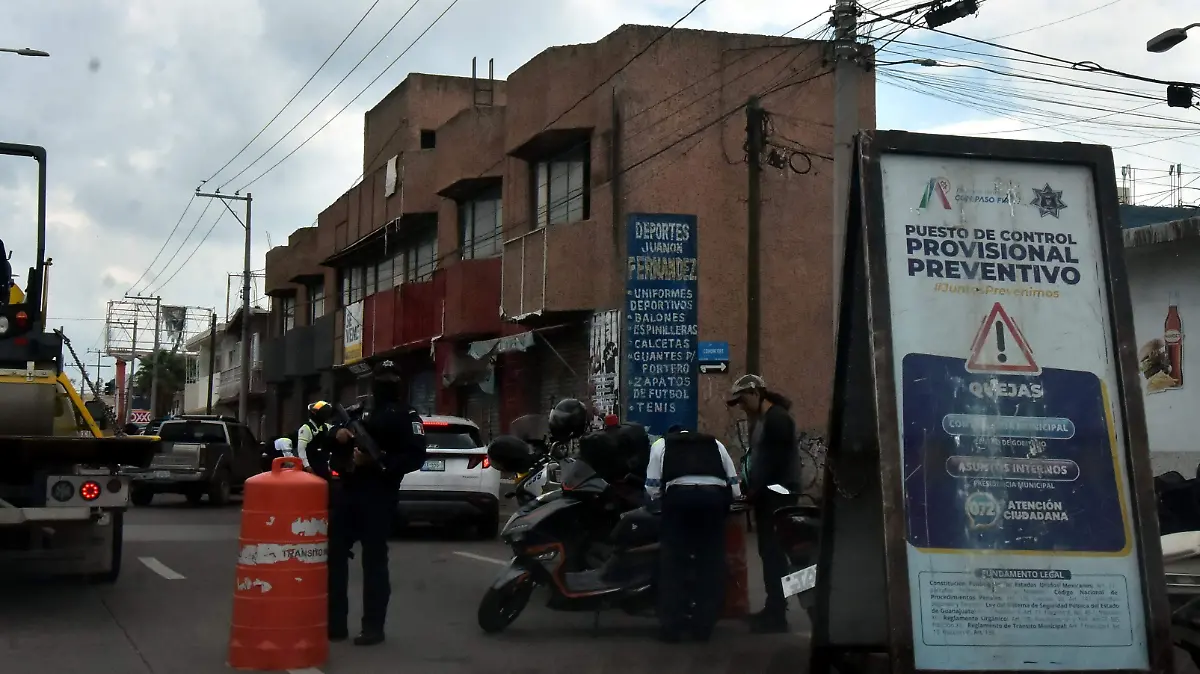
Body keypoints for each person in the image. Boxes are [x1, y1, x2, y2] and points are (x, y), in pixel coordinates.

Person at [326, 359, 426, 646]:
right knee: (334, 556)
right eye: (383, 377)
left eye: (392, 378)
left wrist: (378, 461)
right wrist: (339, 434)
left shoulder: (407, 416)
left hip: (379, 494)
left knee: (374, 562)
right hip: (348, 492)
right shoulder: (360, 411)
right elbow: (330, 433)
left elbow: (415, 456)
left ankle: (373, 627)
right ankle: (335, 623)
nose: (387, 383)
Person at [645, 425, 742, 643]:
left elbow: (652, 487)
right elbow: (735, 489)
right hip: (712, 504)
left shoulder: (661, 444)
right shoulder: (715, 444)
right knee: (710, 565)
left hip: (679, 503)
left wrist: (661, 498)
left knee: (672, 566)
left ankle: (672, 628)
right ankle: (703, 627)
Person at [726, 374, 801, 634]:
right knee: (771, 555)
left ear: (757, 393)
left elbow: (773, 465)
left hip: (778, 499)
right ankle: (775, 607)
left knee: (775, 555)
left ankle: (779, 612)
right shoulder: (766, 420)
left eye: (743, 400)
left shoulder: (777, 420)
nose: (742, 407)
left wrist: (755, 491)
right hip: (769, 497)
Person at [295, 400, 334, 474]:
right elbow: (301, 450)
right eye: (324, 414)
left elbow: (336, 430)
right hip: (310, 468)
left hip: (324, 467)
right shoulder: (306, 428)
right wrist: (307, 467)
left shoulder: (326, 427)